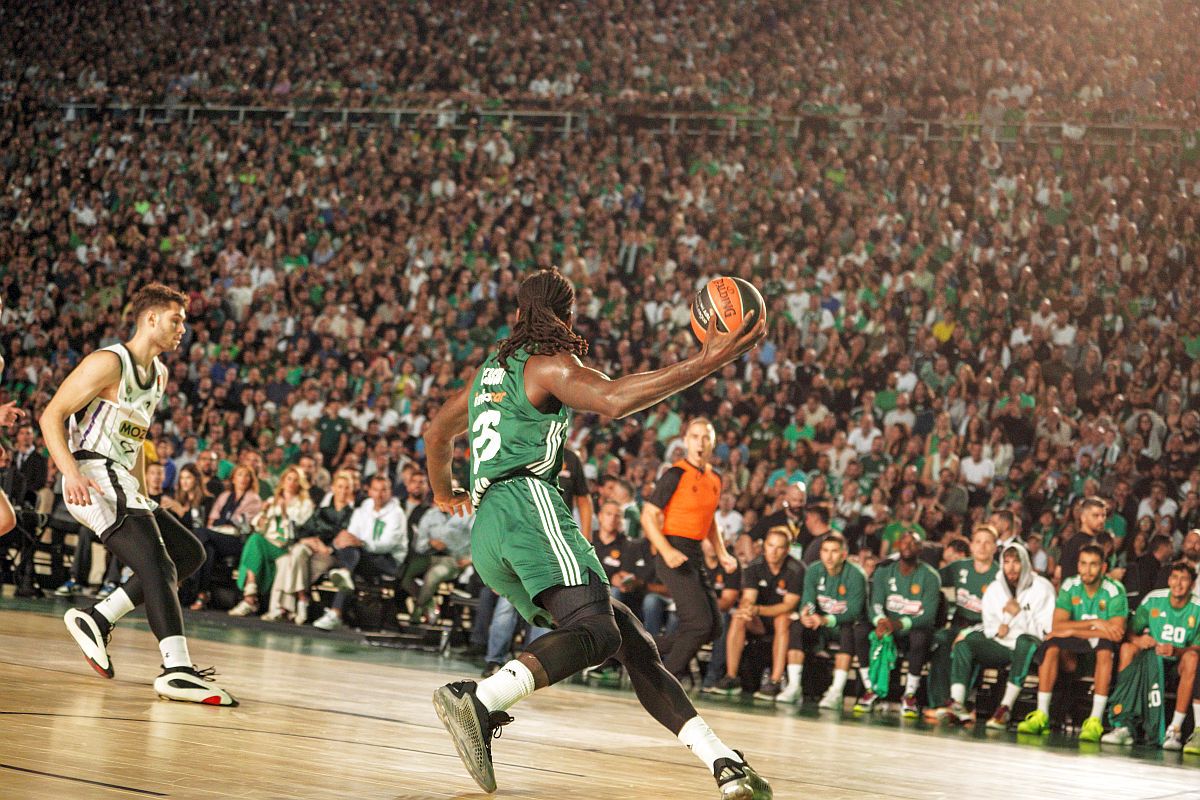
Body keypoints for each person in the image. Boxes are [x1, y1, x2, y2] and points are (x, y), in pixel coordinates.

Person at [424, 269, 771, 798]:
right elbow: (613, 400)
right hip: (528, 504)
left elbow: (437, 431)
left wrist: (444, 491)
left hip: (489, 530)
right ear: (565, 315)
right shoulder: (549, 363)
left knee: (630, 637)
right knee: (599, 633)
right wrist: (707, 361)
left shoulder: (488, 374)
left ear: (520, 313)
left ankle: (721, 760)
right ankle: (481, 699)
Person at [38, 283, 236, 705]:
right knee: (157, 562)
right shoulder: (109, 362)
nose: (183, 329)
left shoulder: (159, 374)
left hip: (121, 479)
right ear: (150, 319)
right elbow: (51, 414)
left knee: (188, 554)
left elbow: (135, 442)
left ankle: (97, 618)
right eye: (176, 320)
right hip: (91, 472)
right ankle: (176, 669)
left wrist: (144, 497)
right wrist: (69, 472)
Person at [642, 417, 739, 682]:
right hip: (672, 549)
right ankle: (663, 682)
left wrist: (722, 554)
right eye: (695, 436)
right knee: (697, 624)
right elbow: (648, 516)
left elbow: (709, 523)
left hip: (694, 553)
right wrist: (666, 550)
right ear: (686, 441)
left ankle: (637, 647)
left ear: (713, 444)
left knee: (713, 627)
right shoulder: (675, 474)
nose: (700, 442)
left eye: (705, 437)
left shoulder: (715, 479)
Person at [1017, 544, 1128, 741]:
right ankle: (1041, 715)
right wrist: (1095, 623)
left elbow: (1116, 634)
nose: (1087, 569)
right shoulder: (1069, 585)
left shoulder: (1114, 590)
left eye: (1093, 565)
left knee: (1105, 649)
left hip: (1097, 648)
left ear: (1103, 568)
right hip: (1078, 645)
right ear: (1078, 565)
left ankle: (1095, 720)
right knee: (1050, 646)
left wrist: (1072, 628)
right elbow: (1057, 628)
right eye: (1083, 564)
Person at [941, 543, 1055, 728]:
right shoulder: (995, 588)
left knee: (1023, 641)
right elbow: (989, 625)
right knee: (965, 644)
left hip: (1031, 646)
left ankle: (1005, 708)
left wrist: (1020, 614)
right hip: (1001, 644)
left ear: (1025, 563)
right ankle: (958, 703)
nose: (1011, 567)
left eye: (1016, 562)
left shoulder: (1042, 588)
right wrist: (998, 628)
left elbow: (1046, 629)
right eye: (1007, 562)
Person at [1101, 562, 1200, 749]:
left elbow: (1197, 647)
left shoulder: (1197, 607)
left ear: (1193, 585)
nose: (1178, 583)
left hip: (1177, 665)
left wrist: (1176, 651)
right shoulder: (1154, 600)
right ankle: (1123, 724)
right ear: (1169, 580)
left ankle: (1175, 730)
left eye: (1184, 579)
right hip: (1150, 661)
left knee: (1192, 658)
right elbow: (1128, 632)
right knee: (1127, 649)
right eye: (1175, 577)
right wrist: (1139, 640)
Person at [708, 527, 804, 699]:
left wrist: (758, 609)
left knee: (782, 619)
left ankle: (774, 681)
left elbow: (788, 605)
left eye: (779, 547)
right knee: (738, 617)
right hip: (760, 621)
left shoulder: (796, 569)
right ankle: (731, 677)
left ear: (787, 549)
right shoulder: (755, 566)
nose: (773, 552)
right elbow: (749, 597)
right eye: (770, 546)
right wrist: (747, 608)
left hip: (787, 622)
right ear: (764, 546)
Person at [856, 530, 941, 717]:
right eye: (904, 542)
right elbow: (876, 603)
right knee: (860, 631)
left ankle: (910, 694)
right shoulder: (884, 571)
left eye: (913, 543)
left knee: (920, 638)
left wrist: (900, 624)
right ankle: (870, 689)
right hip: (887, 625)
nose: (908, 546)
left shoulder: (930, 576)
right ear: (897, 546)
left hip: (911, 627)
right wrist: (880, 621)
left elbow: (928, 615)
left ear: (920, 549)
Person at [779, 531, 868, 708]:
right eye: (825, 550)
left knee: (848, 631)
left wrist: (827, 620)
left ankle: (836, 691)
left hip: (841, 623)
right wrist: (807, 614)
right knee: (797, 627)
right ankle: (794, 686)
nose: (829, 556)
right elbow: (809, 600)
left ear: (843, 555)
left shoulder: (856, 575)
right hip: (819, 623)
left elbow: (855, 611)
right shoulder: (813, 570)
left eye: (834, 551)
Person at [311, 474, 408, 631]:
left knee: (351, 560)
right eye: (376, 490)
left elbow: (388, 544)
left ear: (390, 492)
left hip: (388, 561)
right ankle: (337, 610)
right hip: (362, 556)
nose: (380, 494)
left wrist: (361, 542)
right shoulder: (363, 509)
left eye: (384, 490)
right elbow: (352, 534)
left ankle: (336, 610)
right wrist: (346, 539)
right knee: (349, 551)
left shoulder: (397, 513)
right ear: (369, 491)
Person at [263, 469, 358, 624]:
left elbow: (345, 540)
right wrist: (307, 540)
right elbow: (302, 531)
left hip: (331, 555)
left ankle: (287, 606)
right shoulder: (322, 511)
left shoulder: (353, 514)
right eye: (339, 486)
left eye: (346, 487)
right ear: (333, 488)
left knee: (291, 563)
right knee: (296, 552)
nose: (342, 491)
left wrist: (329, 547)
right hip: (311, 548)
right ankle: (301, 598)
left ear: (351, 490)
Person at [928, 525, 999, 712]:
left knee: (967, 647)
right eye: (978, 542)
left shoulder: (999, 575)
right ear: (972, 546)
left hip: (985, 628)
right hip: (958, 623)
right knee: (941, 640)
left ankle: (963, 702)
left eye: (987, 543)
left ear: (995, 547)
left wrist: (969, 632)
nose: (982, 547)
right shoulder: (960, 567)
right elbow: (931, 579)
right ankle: (939, 703)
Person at [228, 465, 315, 616]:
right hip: (267, 541)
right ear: (283, 481)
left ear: (300, 483)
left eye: (295, 480)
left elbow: (299, 530)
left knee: (254, 543)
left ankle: (249, 598)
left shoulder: (305, 504)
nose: (291, 483)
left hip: (286, 544)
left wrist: (283, 513)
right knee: (255, 539)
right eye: (289, 479)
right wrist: (263, 513)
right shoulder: (271, 500)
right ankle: (250, 595)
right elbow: (257, 526)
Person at [187, 465, 262, 610]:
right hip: (217, 536)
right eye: (240, 475)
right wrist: (225, 524)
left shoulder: (254, 498)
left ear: (251, 480)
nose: (243, 479)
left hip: (238, 541)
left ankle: (192, 583)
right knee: (207, 550)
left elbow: (246, 525)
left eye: (247, 476)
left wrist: (227, 524)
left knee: (200, 533)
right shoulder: (225, 496)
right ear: (233, 478)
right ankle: (202, 594)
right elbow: (212, 519)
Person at [1057, 496, 1107, 582]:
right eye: (1096, 515)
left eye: (1103, 516)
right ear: (1083, 517)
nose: (1101, 520)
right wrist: (1111, 577)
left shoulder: (1091, 541)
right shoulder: (1077, 544)